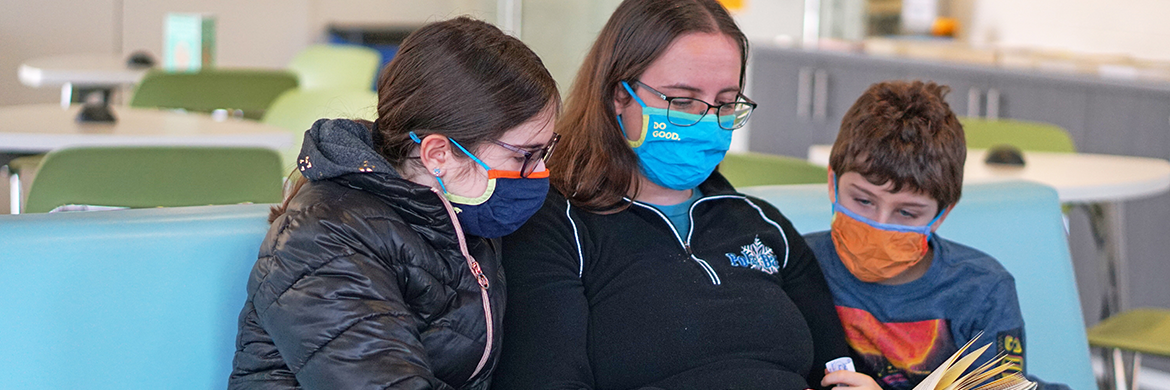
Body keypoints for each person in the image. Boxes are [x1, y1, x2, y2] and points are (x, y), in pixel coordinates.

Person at [492, 1, 878, 389]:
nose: (707, 121)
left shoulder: (763, 224)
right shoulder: (554, 226)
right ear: (618, 95)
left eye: (726, 103)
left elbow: (839, 371)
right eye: (682, 101)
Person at [227, 17, 560, 390]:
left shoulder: (456, 215)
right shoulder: (323, 239)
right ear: (439, 154)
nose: (541, 170)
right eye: (525, 155)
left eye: (545, 150)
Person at [803, 80, 1066, 390]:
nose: (879, 223)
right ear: (833, 183)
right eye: (863, 200)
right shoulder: (798, 265)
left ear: (942, 214)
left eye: (906, 213)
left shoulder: (982, 290)